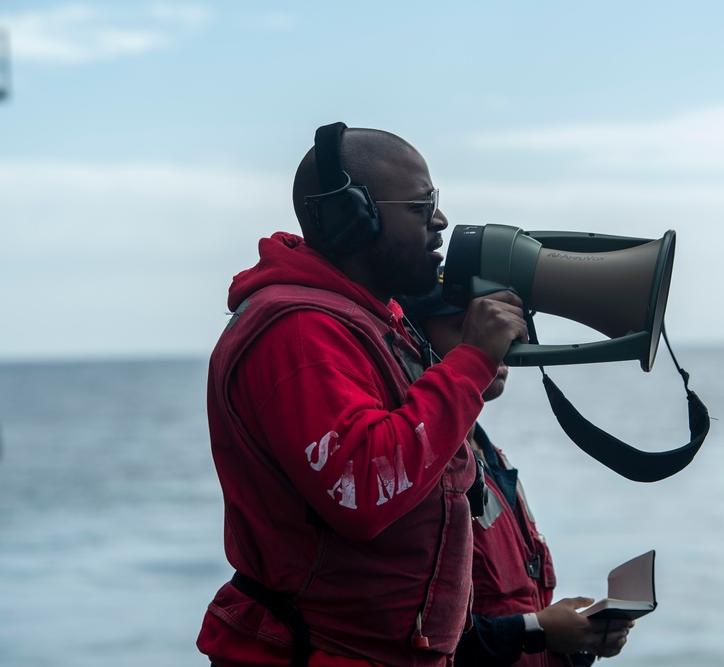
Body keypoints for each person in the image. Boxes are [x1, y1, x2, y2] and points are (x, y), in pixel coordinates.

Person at [196, 122, 530, 667]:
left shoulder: (368, 318)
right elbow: (365, 486)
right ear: (355, 220)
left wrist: (462, 382)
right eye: (421, 206)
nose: (441, 221)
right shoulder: (299, 332)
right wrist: (468, 365)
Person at [397, 284, 634, 667]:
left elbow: (511, 613)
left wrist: (575, 638)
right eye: (468, 327)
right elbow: (420, 637)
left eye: (500, 325)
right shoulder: (415, 470)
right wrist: (537, 630)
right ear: (412, 341)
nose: (497, 340)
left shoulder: (493, 460)